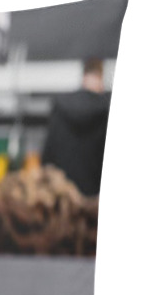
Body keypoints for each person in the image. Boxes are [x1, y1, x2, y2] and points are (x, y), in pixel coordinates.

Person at [41, 58, 112, 197]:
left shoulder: (60, 107)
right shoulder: (106, 111)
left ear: (83, 77)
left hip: (64, 198)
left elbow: (47, 157)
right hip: (93, 201)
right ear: (101, 78)